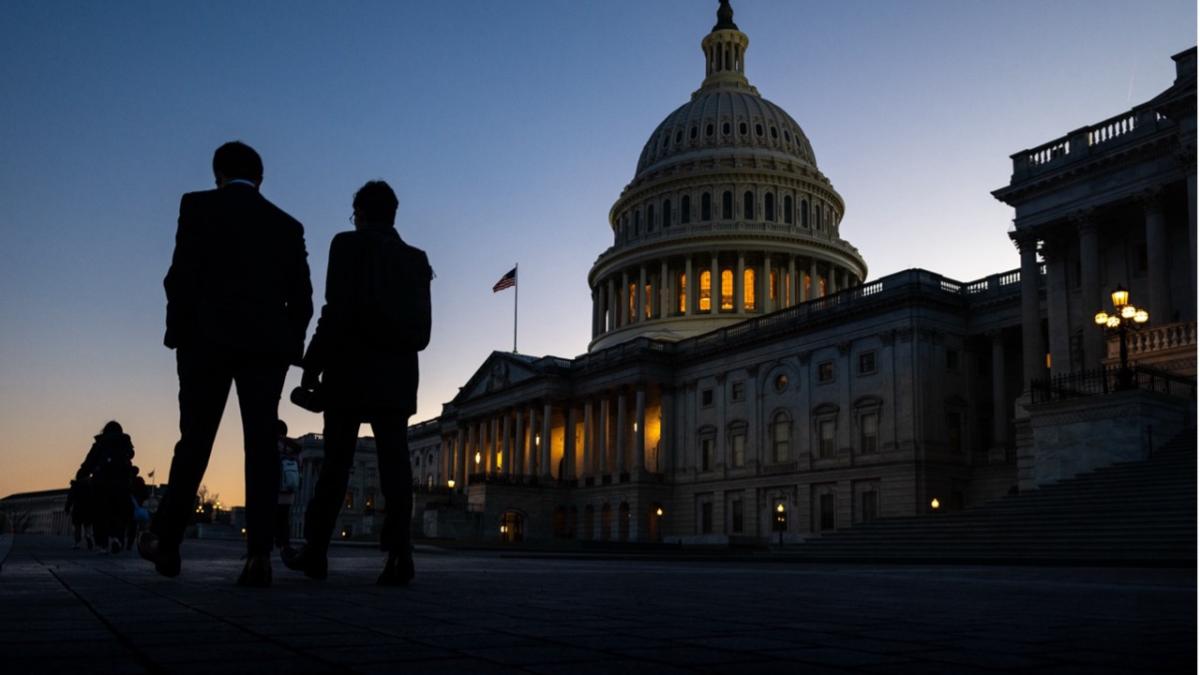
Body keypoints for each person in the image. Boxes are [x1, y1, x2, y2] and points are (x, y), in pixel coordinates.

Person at [139, 141, 313, 587]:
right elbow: (304, 300)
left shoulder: (197, 207)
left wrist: (177, 332)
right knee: (261, 447)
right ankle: (259, 555)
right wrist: (289, 348)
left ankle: (168, 539)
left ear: (217, 173)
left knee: (194, 440)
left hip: (206, 341)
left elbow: (179, 276)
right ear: (261, 178)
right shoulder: (287, 226)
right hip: (266, 348)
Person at [283, 180, 431, 586]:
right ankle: (401, 555)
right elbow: (423, 332)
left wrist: (312, 365)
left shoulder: (347, 245)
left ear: (360, 213)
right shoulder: (416, 259)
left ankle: (316, 551)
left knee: (336, 464)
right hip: (397, 375)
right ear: (394, 214)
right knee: (396, 467)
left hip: (350, 370)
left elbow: (334, 311)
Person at [76, 421, 135, 554]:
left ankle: (101, 544)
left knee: (100, 513)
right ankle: (117, 538)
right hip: (121, 483)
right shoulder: (125, 441)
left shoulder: (100, 442)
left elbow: (90, 461)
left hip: (101, 483)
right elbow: (131, 455)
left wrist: (81, 474)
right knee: (118, 513)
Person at [274, 420, 302, 550]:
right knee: (284, 517)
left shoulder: (275, 445)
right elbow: (299, 466)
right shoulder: (295, 448)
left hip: (277, 487)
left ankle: (276, 540)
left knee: (274, 515)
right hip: (290, 489)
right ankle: (284, 542)